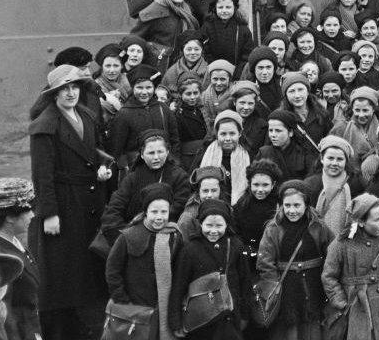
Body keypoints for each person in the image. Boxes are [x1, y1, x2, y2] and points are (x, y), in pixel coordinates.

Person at [29, 65, 114, 340]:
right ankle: (64, 329)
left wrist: (102, 165)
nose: (70, 93)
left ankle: (89, 322)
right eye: (63, 89)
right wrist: (49, 214)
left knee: (88, 262)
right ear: (53, 95)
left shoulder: (85, 115)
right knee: (64, 268)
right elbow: (42, 175)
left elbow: (92, 150)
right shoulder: (45, 127)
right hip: (65, 204)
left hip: (90, 198)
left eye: (74, 87)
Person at [320, 193, 379, 340]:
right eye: (377, 219)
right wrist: (342, 303)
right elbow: (329, 276)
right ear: (360, 221)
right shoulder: (341, 245)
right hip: (354, 310)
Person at [257, 180, 335, 340]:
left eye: (297, 205)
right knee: (288, 330)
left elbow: (333, 256)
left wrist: (327, 280)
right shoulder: (273, 229)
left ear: (306, 205)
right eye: (287, 205)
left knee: (311, 328)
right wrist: (273, 289)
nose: (292, 210)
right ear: (281, 205)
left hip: (313, 287)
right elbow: (265, 262)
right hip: (285, 288)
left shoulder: (318, 227)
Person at [105, 182, 184, 340]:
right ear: (146, 212)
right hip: (135, 308)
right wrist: (123, 301)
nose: (159, 217)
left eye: (164, 211)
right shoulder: (128, 236)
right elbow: (112, 270)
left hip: (163, 309)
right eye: (154, 211)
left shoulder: (175, 236)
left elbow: (181, 272)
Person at [168, 198, 253, 340]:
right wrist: (175, 321)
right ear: (201, 223)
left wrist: (244, 314)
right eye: (209, 225)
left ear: (227, 225)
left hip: (229, 317)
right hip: (199, 320)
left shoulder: (236, 246)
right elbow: (179, 286)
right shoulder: (190, 249)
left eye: (219, 225)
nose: (213, 231)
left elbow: (245, 282)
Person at [0, 178, 40, 340]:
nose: (32, 215)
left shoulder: (13, 241)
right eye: (27, 210)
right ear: (9, 218)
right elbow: (1, 314)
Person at [129, 0, 199, 62]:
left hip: (181, 64)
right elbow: (135, 39)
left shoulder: (186, 10)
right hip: (158, 65)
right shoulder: (153, 12)